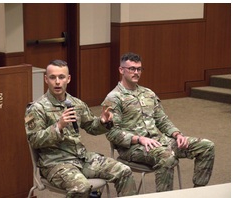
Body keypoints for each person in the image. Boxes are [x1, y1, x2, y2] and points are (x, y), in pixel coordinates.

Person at [102, 52, 215, 192]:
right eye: (131, 68)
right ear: (121, 70)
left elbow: (162, 120)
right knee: (167, 157)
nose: (136, 72)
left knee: (206, 146)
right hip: (133, 148)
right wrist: (139, 139)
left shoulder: (148, 93)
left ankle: (198, 191)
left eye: (139, 69)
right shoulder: (114, 98)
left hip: (159, 141)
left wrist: (178, 135)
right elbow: (111, 133)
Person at [24, 59, 137, 197]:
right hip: (55, 164)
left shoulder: (76, 103)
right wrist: (58, 127)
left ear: (68, 79)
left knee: (124, 171)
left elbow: (91, 127)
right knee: (81, 188)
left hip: (81, 158)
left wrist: (102, 122)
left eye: (61, 77)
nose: (58, 82)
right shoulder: (36, 108)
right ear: (46, 79)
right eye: (53, 77)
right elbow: (34, 140)